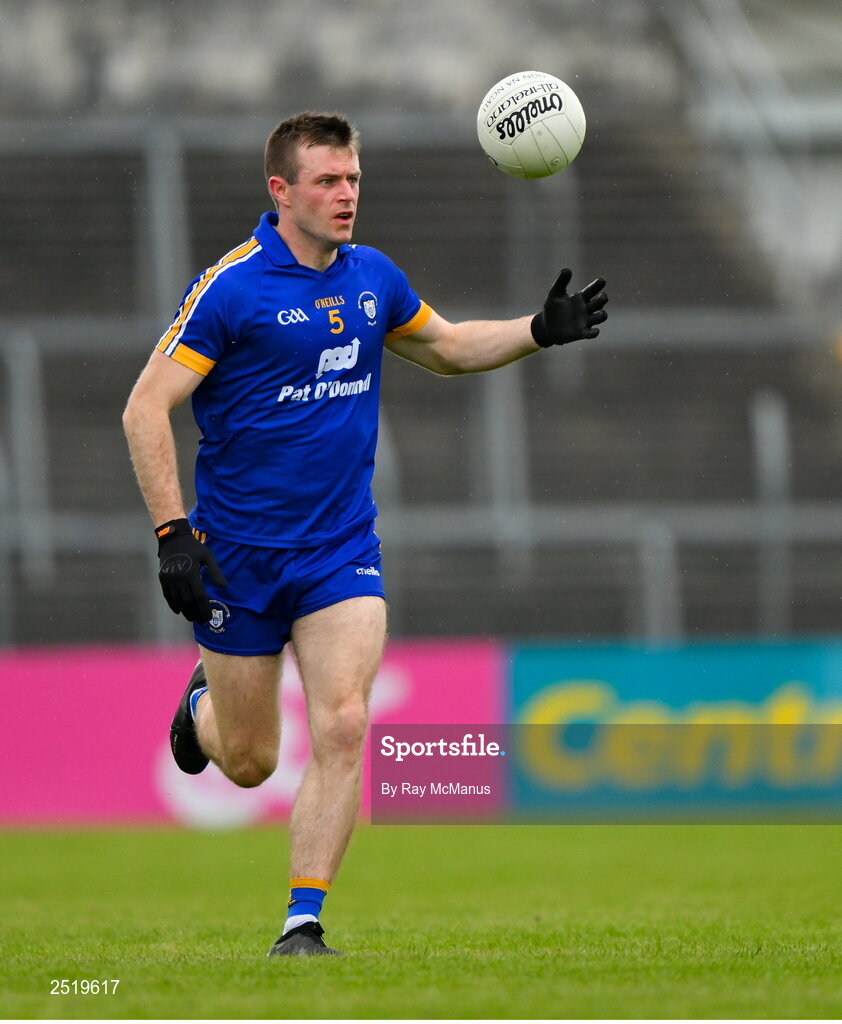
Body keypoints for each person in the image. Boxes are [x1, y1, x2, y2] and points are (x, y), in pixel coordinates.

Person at [122, 111, 607, 957]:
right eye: (326, 182)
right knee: (247, 763)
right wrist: (172, 533)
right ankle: (200, 711)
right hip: (237, 557)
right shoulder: (231, 289)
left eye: (353, 180)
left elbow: (449, 348)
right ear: (281, 191)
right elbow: (143, 408)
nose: (346, 196)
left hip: (341, 548)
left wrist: (538, 330)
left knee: (344, 722)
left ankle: (301, 923)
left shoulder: (373, 277)